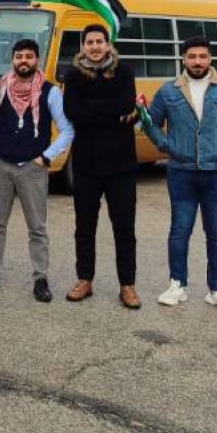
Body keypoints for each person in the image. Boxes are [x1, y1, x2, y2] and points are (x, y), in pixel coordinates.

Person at [142, 34, 217, 313]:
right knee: (180, 230)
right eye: (192, 57)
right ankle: (177, 285)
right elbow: (150, 122)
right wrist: (165, 144)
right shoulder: (169, 90)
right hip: (181, 172)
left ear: (210, 58)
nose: (197, 62)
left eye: (202, 56)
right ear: (183, 59)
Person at [0, 38, 74, 302]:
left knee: (37, 227)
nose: (23, 61)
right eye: (19, 57)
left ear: (37, 60)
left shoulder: (50, 92)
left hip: (33, 167)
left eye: (29, 56)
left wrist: (46, 157)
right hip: (1, 165)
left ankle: (40, 278)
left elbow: (67, 130)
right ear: (13, 60)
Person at [62, 23, 141, 309]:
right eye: (89, 42)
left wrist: (93, 108)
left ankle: (127, 285)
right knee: (84, 227)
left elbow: (126, 104)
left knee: (124, 227)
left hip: (121, 165)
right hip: (86, 165)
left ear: (108, 45)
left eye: (99, 41)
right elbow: (72, 111)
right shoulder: (73, 75)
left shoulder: (125, 71)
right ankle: (85, 280)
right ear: (82, 46)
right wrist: (112, 114)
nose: (95, 46)